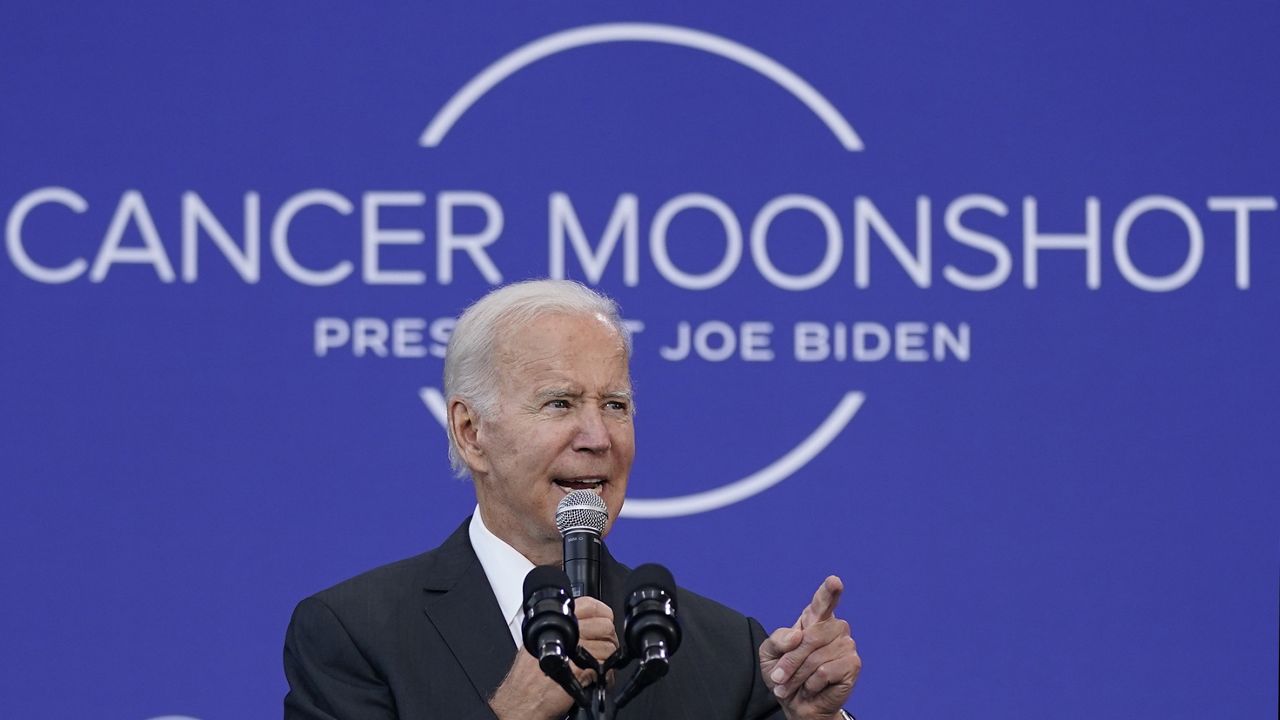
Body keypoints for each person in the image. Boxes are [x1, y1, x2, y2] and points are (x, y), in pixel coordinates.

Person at [283, 279, 862, 720]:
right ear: (470, 431)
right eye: (559, 403)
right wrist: (513, 713)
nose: (598, 437)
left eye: (615, 405)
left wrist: (816, 717)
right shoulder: (354, 634)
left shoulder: (724, 650)